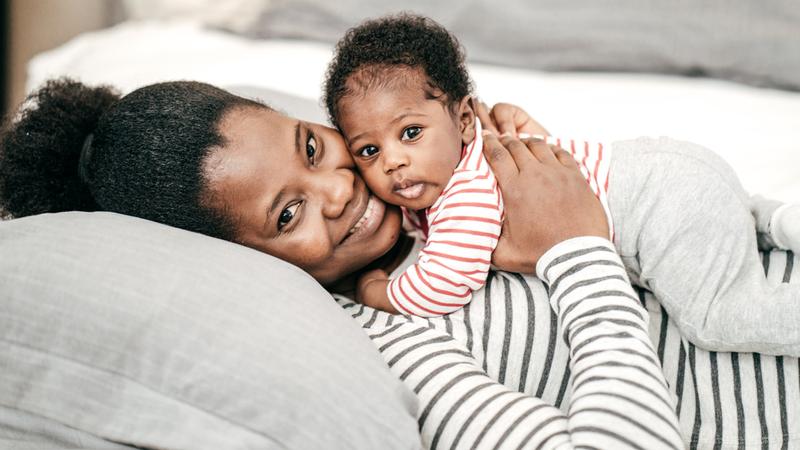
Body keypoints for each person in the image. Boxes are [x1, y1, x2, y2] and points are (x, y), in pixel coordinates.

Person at [0, 78, 796, 448]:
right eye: (288, 214)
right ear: (241, 263)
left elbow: (674, 207)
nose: (341, 188)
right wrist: (575, 249)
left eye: (312, 148)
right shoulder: (390, 342)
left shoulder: (431, 179)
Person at [321, 14, 800, 356]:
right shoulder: (481, 147)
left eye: (410, 133)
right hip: (660, 163)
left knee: (718, 317)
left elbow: (442, 286)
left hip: (658, 210)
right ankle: (781, 222)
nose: (394, 162)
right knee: (744, 215)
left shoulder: (464, 195)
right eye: (369, 151)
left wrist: (377, 292)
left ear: (464, 119)